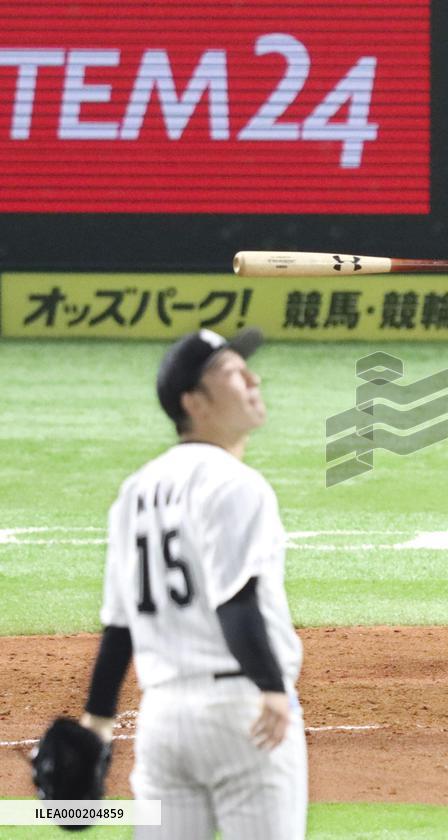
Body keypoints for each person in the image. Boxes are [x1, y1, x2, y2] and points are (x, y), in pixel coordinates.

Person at [76, 327, 307, 839]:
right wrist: (271, 688)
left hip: (162, 721)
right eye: (231, 372)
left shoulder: (135, 490)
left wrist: (98, 723)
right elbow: (236, 604)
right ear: (194, 402)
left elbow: (119, 630)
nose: (252, 377)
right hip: (241, 713)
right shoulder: (236, 483)